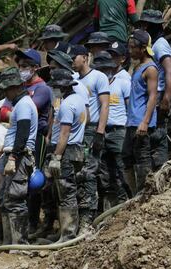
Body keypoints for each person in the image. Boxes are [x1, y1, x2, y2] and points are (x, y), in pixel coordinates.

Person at [0, 67, 38, 245]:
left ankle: (19, 244)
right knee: (5, 200)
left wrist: (13, 157)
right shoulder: (21, 104)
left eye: (7, 89)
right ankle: (8, 243)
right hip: (14, 154)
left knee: (15, 199)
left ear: (16, 87)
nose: (6, 93)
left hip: (19, 157)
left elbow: (22, 133)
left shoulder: (24, 105)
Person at [70, 45, 110, 227]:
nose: (72, 60)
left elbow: (105, 105)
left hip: (92, 129)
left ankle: (89, 219)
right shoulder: (73, 79)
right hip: (76, 130)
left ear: (85, 57)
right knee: (77, 172)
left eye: (74, 57)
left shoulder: (98, 77)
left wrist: (100, 132)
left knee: (89, 172)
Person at [47, 69, 86, 242]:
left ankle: (68, 234)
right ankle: (64, 232)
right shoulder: (79, 100)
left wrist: (56, 157)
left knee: (66, 194)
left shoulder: (67, 105)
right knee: (66, 192)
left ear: (61, 86)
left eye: (55, 86)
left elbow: (64, 134)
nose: (54, 90)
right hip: (76, 149)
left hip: (66, 151)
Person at [91, 51, 130, 209]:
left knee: (122, 168)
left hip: (119, 131)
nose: (103, 73)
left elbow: (130, 108)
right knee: (104, 172)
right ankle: (110, 208)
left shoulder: (122, 83)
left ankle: (128, 201)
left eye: (105, 69)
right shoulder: (96, 88)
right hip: (100, 132)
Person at [139, 9, 171, 170]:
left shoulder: (160, 45)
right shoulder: (153, 44)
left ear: (147, 25)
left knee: (157, 138)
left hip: (161, 96)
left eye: (143, 25)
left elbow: (170, 70)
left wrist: (166, 98)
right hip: (156, 95)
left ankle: (159, 175)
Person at [123, 30, 158, 194]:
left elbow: (152, 96)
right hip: (132, 121)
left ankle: (145, 194)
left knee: (142, 159)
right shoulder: (138, 66)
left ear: (143, 48)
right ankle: (135, 194)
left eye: (133, 48)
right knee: (127, 157)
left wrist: (145, 121)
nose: (130, 51)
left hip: (141, 122)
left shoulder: (150, 69)